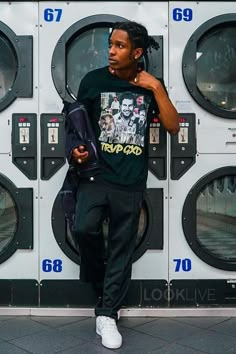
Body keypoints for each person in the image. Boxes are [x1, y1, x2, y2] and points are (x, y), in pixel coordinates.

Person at [72, 21, 179, 350]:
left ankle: (107, 314)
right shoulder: (93, 81)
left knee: (122, 246)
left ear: (137, 52)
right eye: (110, 44)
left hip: (130, 181)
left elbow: (173, 127)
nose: (111, 52)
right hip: (95, 176)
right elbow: (78, 125)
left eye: (119, 46)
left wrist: (156, 89)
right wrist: (76, 151)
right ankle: (103, 277)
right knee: (83, 228)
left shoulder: (150, 85)